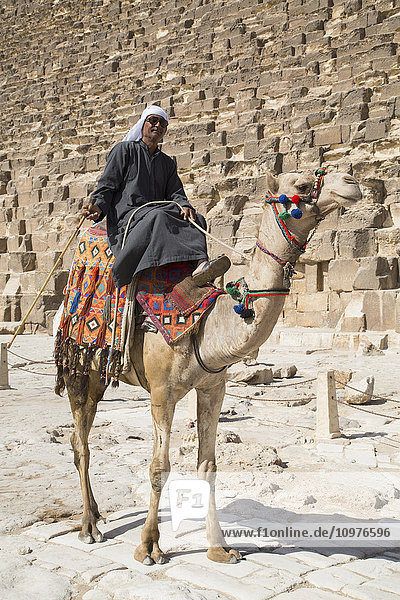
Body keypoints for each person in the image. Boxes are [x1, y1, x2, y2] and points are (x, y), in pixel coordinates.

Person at [83, 104, 230, 288]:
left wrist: (184, 204)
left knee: (196, 218)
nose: (158, 125)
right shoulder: (124, 151)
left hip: (155, 212)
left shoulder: (167, 163)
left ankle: (200, 265)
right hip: (129, 218)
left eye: (163, 123)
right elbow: (107, 184)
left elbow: (176, 192)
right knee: (159, 216)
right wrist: (98, 206)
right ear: (143, 124)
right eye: (153, 120)